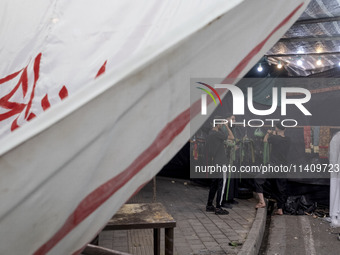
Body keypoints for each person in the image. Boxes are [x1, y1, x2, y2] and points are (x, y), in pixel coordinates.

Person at [255, 122, 290, 215]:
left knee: (258, 179)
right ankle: (280, 209)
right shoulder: (288, 140)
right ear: (285, 129)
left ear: (276, 128)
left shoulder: (274, 138)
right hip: (283, 166)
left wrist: (268, 133)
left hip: (273, 165)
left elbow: (265, 140)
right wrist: (275, 134)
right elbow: (280, 141)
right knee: (281, 187)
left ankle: (262, 202)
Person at [206, 116, 234, 215]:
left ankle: (209, 205)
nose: (222, 125)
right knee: (221, 185)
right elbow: (231, 137)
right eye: (221, 124)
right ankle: (218, 207)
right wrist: (227, 126)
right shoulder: (217, 134)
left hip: (215, 162)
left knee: (214, 184)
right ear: (217, 124)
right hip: (221, 162)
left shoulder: (210, 134)